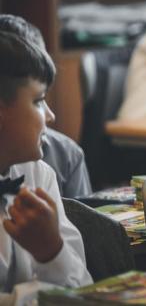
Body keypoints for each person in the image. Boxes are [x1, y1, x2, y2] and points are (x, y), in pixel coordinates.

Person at [0, 31, 92, 304]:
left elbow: (82, 289)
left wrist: (51, 251)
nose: (50, 116)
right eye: (38, 100)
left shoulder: (37, 174)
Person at [0, 14, 92, 198]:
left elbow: (81, 225)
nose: (50, 115)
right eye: (37, 100)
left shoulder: (44, 170)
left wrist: (47, 228)